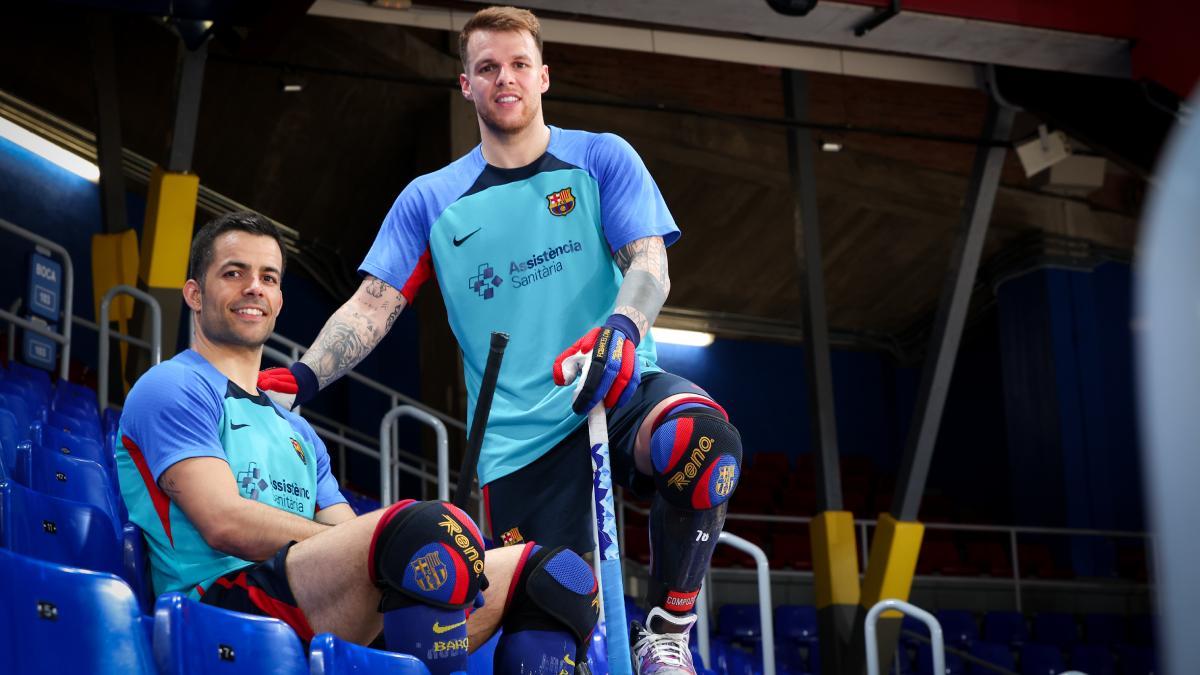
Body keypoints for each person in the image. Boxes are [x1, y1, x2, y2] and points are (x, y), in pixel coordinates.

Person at [257, 7, 744, 674]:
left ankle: (666, 628)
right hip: (521, 445)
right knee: (544, 632)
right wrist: (307, 375)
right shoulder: (431, 201)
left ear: (543, 76)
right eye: (487, 67)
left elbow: (649, 263)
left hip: (616, 384)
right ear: (466, 84)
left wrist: (621, 329)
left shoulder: (600, 157)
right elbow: (373, 304)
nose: (504, 78)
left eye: (518, 64)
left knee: (704, 442)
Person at [117, 212, 598, 675]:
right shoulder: (173, 386)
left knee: (554, 577)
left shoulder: (297, 431)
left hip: (308, 596)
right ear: (195, 294)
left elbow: (350, 533)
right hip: (218, 605)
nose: (254, 288)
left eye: (269, 277)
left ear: (280, 300)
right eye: (234, 273)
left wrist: (411, 549)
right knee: (428, 533)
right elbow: (224, 522)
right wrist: (404, 544)